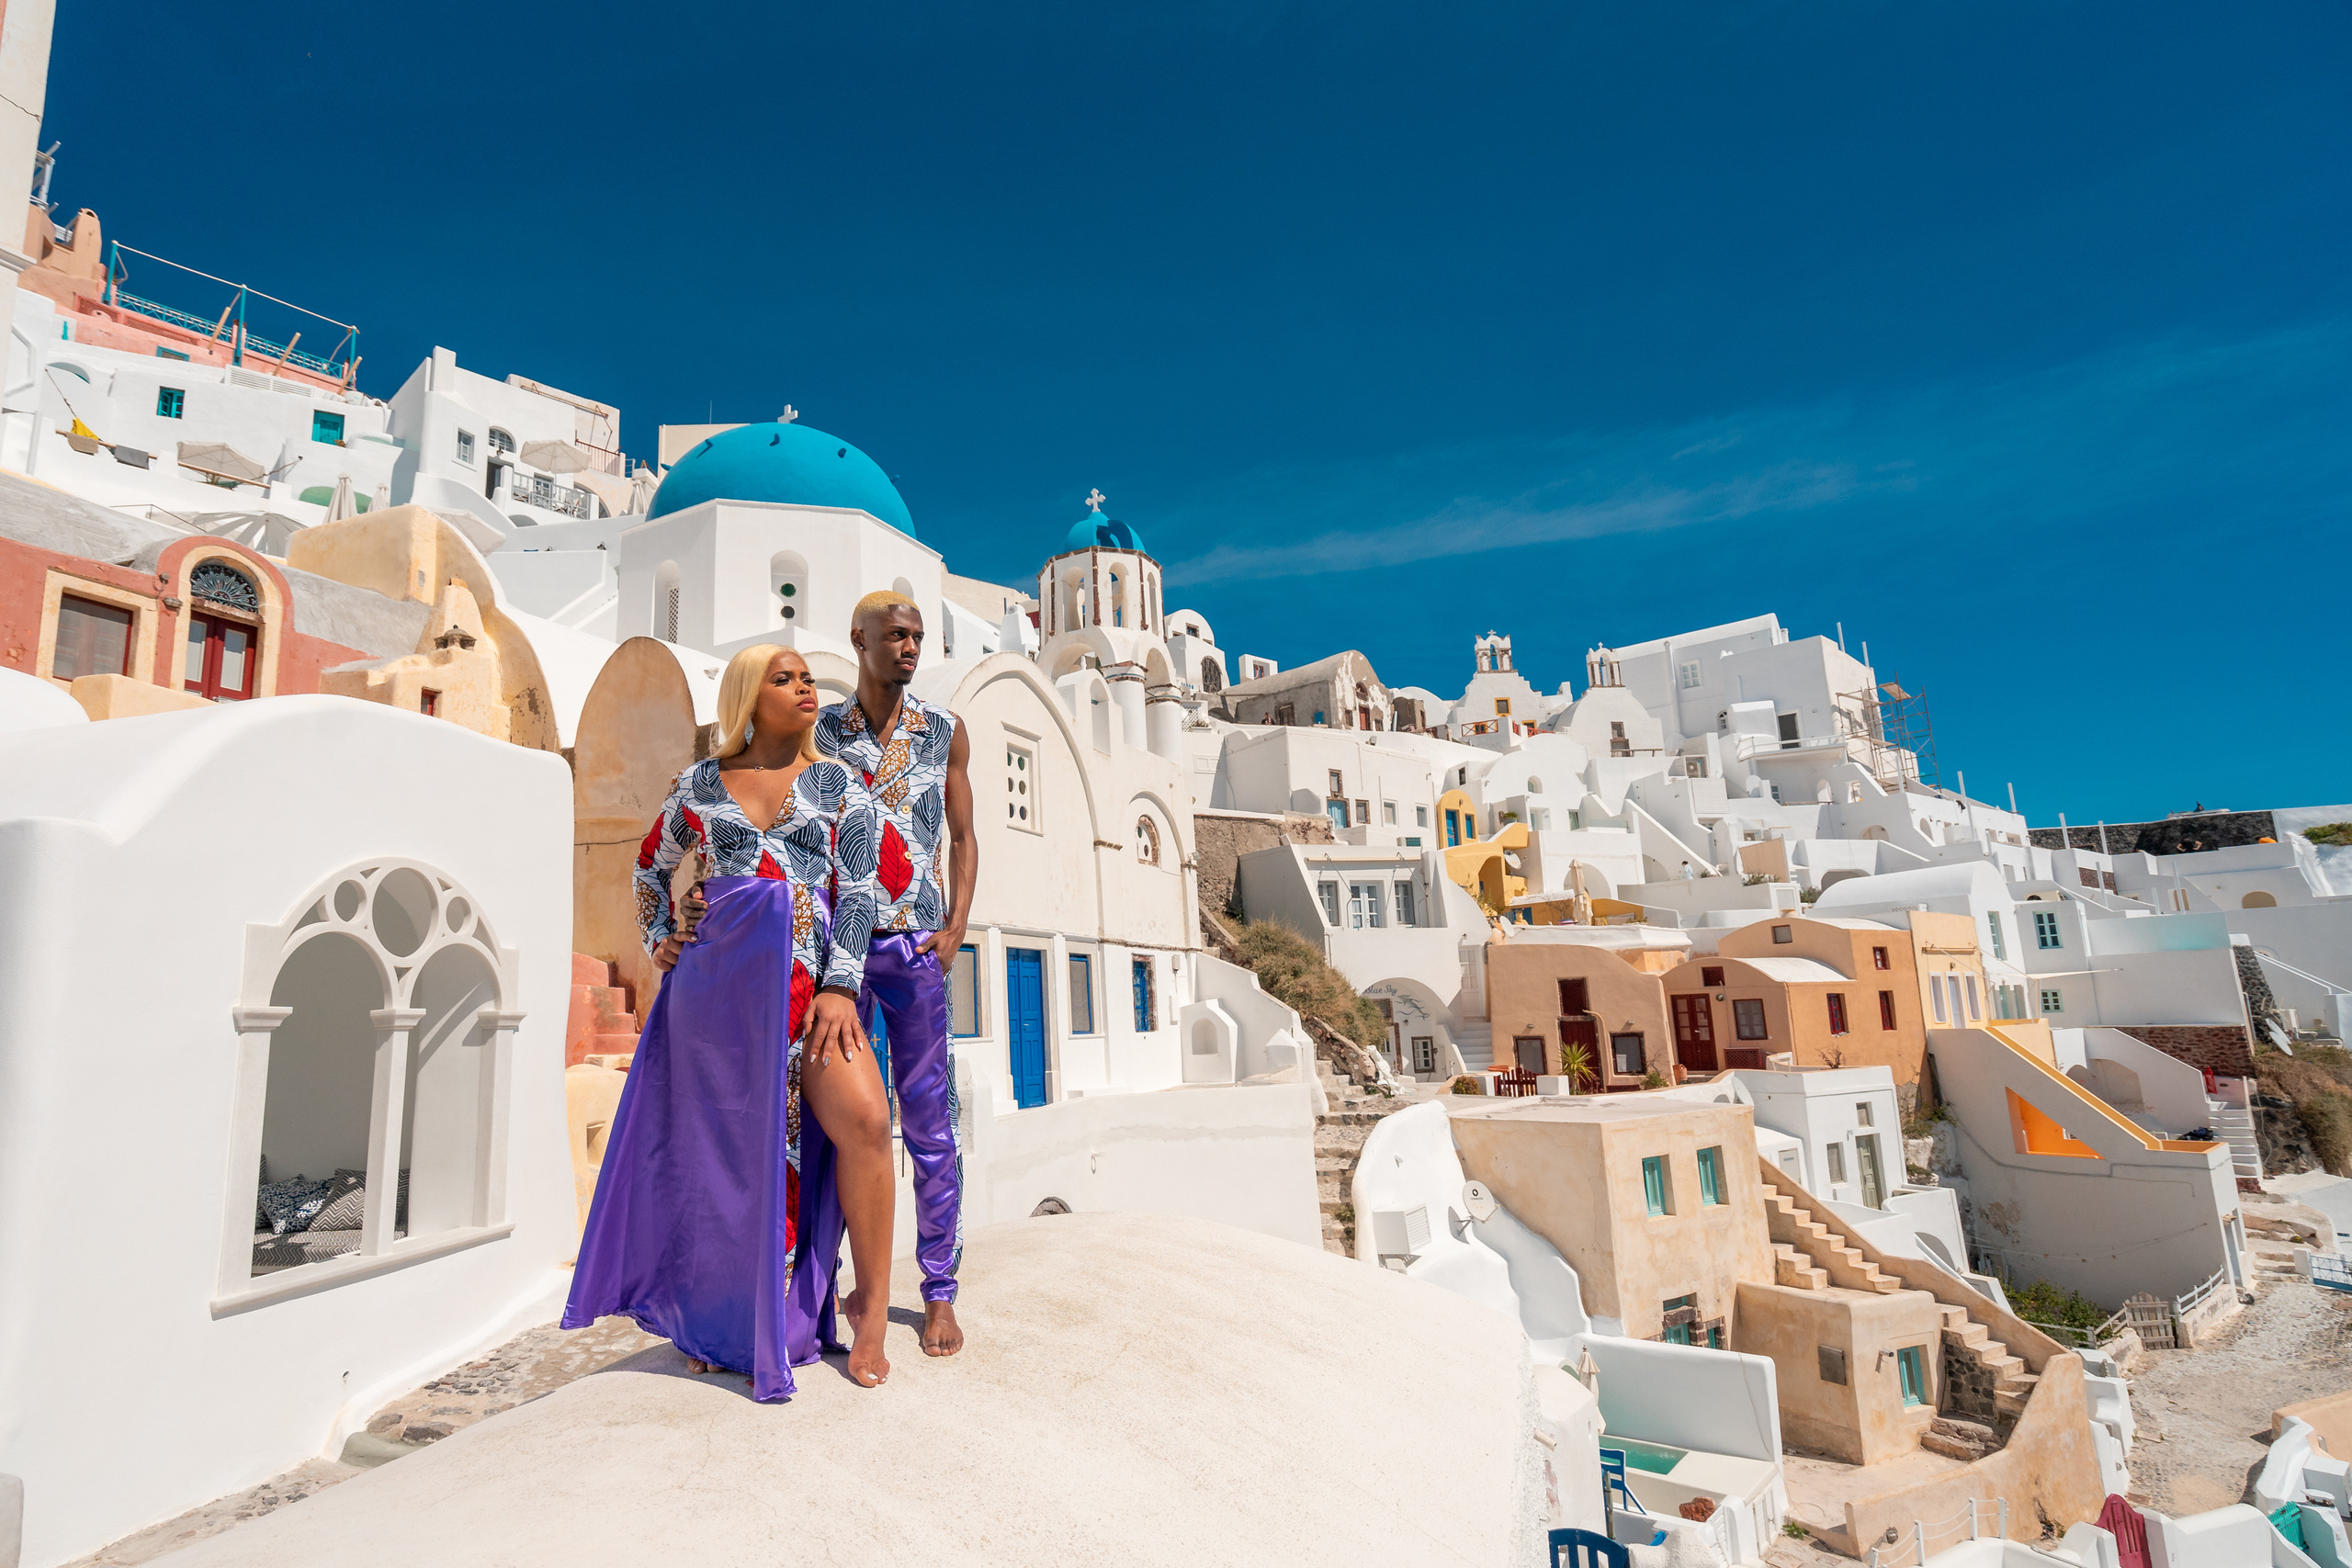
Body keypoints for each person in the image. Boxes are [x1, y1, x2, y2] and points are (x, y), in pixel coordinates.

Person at [561, 644, 896, 1398]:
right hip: (716, 1000)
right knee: (719, 1164)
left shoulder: (842, 785)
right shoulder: (699, 785)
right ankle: (717, 1321)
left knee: (868, 1123)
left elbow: (860, 892)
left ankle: (870, 1308)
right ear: (748, 696)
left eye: (807, 677)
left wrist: (842, 986)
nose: (805, 687)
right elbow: (650, 866)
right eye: (785, 678)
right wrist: (661, 938)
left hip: (814, 996)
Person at [815, 590, 976, 1357]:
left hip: (915, 949)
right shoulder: (819, 732)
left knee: (931, 1124)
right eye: (896, 635)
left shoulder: (945, 730)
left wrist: (957, 925)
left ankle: (939, 1291)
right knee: (835, 1123)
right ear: (860, 639)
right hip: (837, 958)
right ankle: (822, 1288)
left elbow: (965, 836)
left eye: (917, 636)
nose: (910, 647)